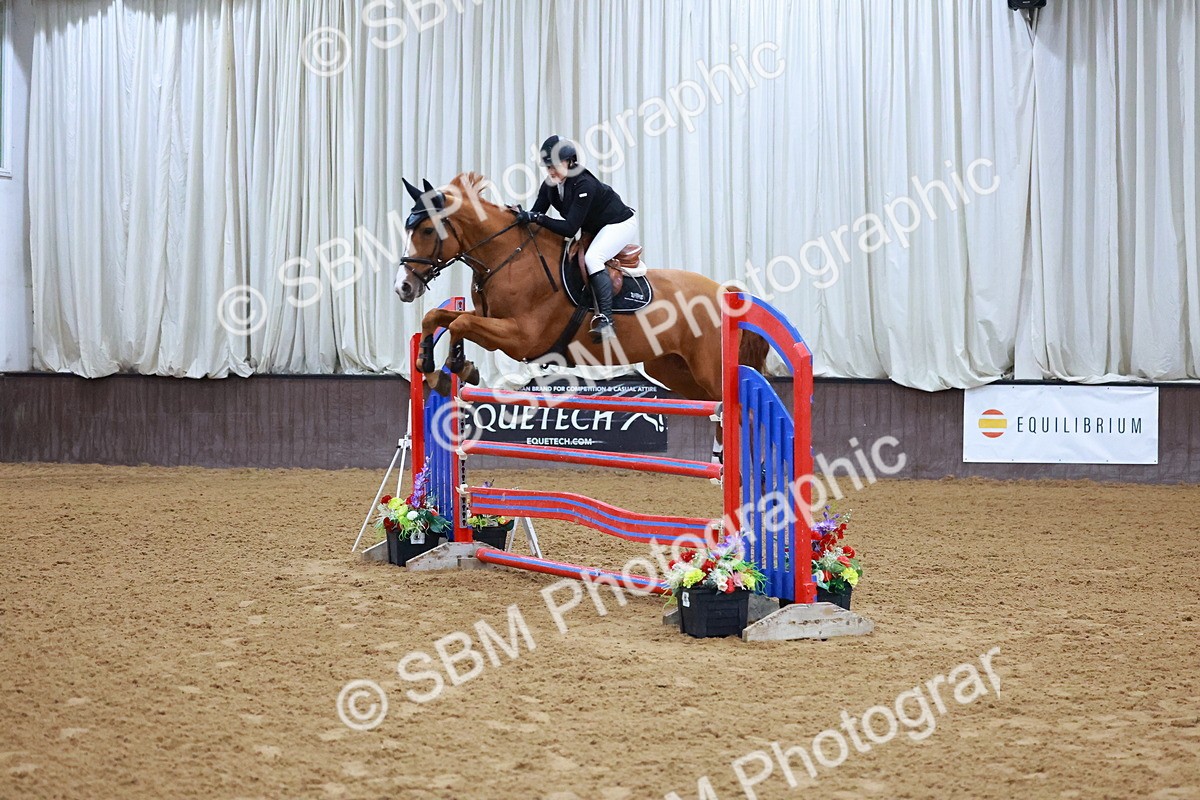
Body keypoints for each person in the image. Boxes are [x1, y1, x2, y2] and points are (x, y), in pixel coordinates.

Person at [516, 135, 637, 343]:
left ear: (569, 161)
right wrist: (518, 217)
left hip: (619, 223)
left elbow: (569, 228)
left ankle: (607, 321)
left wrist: (537, 217)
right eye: (547, 167)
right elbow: (536, 215)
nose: (551, 171)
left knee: (593, 258)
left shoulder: (584, 184)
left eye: (554, 166)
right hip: (595, 226)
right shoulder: (550, 185)